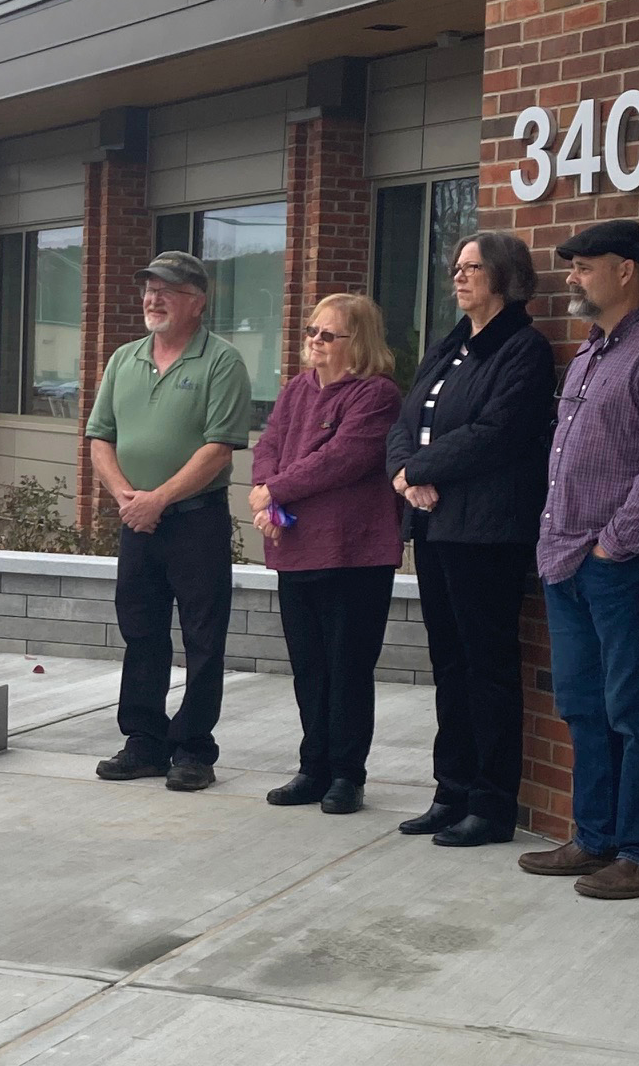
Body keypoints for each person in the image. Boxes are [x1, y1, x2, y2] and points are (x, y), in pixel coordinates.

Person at [518, 219, 639, 899]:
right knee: (585, 707)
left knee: (637, 710)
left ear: (627, 270)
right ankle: (594, 840)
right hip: (567, 561)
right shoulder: (592, 353)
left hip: (629, 566)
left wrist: (614, 546)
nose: (572, 276)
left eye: (585, 265)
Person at [386, 232, 555, 847]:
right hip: (433, 526)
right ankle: (450, 790)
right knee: (449, 663)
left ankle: (490, 802)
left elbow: (497, 433)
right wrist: (405, 475)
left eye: (472, 268)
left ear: (505, 277)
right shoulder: (449, 347)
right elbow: (406, 423)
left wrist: (422, 471)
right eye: (455, 267)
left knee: (487, 668)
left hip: (486, 533)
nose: (458, 277)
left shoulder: (523, 350)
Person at [86, 250, 252, 792]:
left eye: (168, 290)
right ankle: (144, 742)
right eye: (149, 288)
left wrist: (158, 498)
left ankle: (194, 749)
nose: (153, 299)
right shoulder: (123, 359)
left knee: (203, 638)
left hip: (194, 520)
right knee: (141, 633)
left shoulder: (221, 362)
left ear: (197, 302)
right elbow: (100, 436)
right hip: (136, 520)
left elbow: (220, 448)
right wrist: (126, 496)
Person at [249, 294, 402, 816]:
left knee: (347, 667)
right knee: (309, 667)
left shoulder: (376, 396)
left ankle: (346, 775)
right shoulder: (297, 389)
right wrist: (265, 489)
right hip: (298, 551)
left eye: (326, 335)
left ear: (356, 342)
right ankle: (312, 768)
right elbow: (268, 444)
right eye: (311, 331)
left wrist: (275, 492)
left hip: (353, 554)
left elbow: (341, 460)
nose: (313, 341)